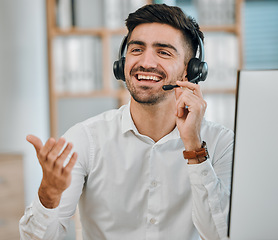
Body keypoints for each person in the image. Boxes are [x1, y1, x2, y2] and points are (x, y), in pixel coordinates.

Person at [19, 4, 233, 240]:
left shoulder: (220, 143)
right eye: (137, 49)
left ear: (190, 71)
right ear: (122, 64)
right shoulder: (85, 139)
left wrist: (194, 149)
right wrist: (48, 193)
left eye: (163, 52)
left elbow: (222, 235)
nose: (146, 62)